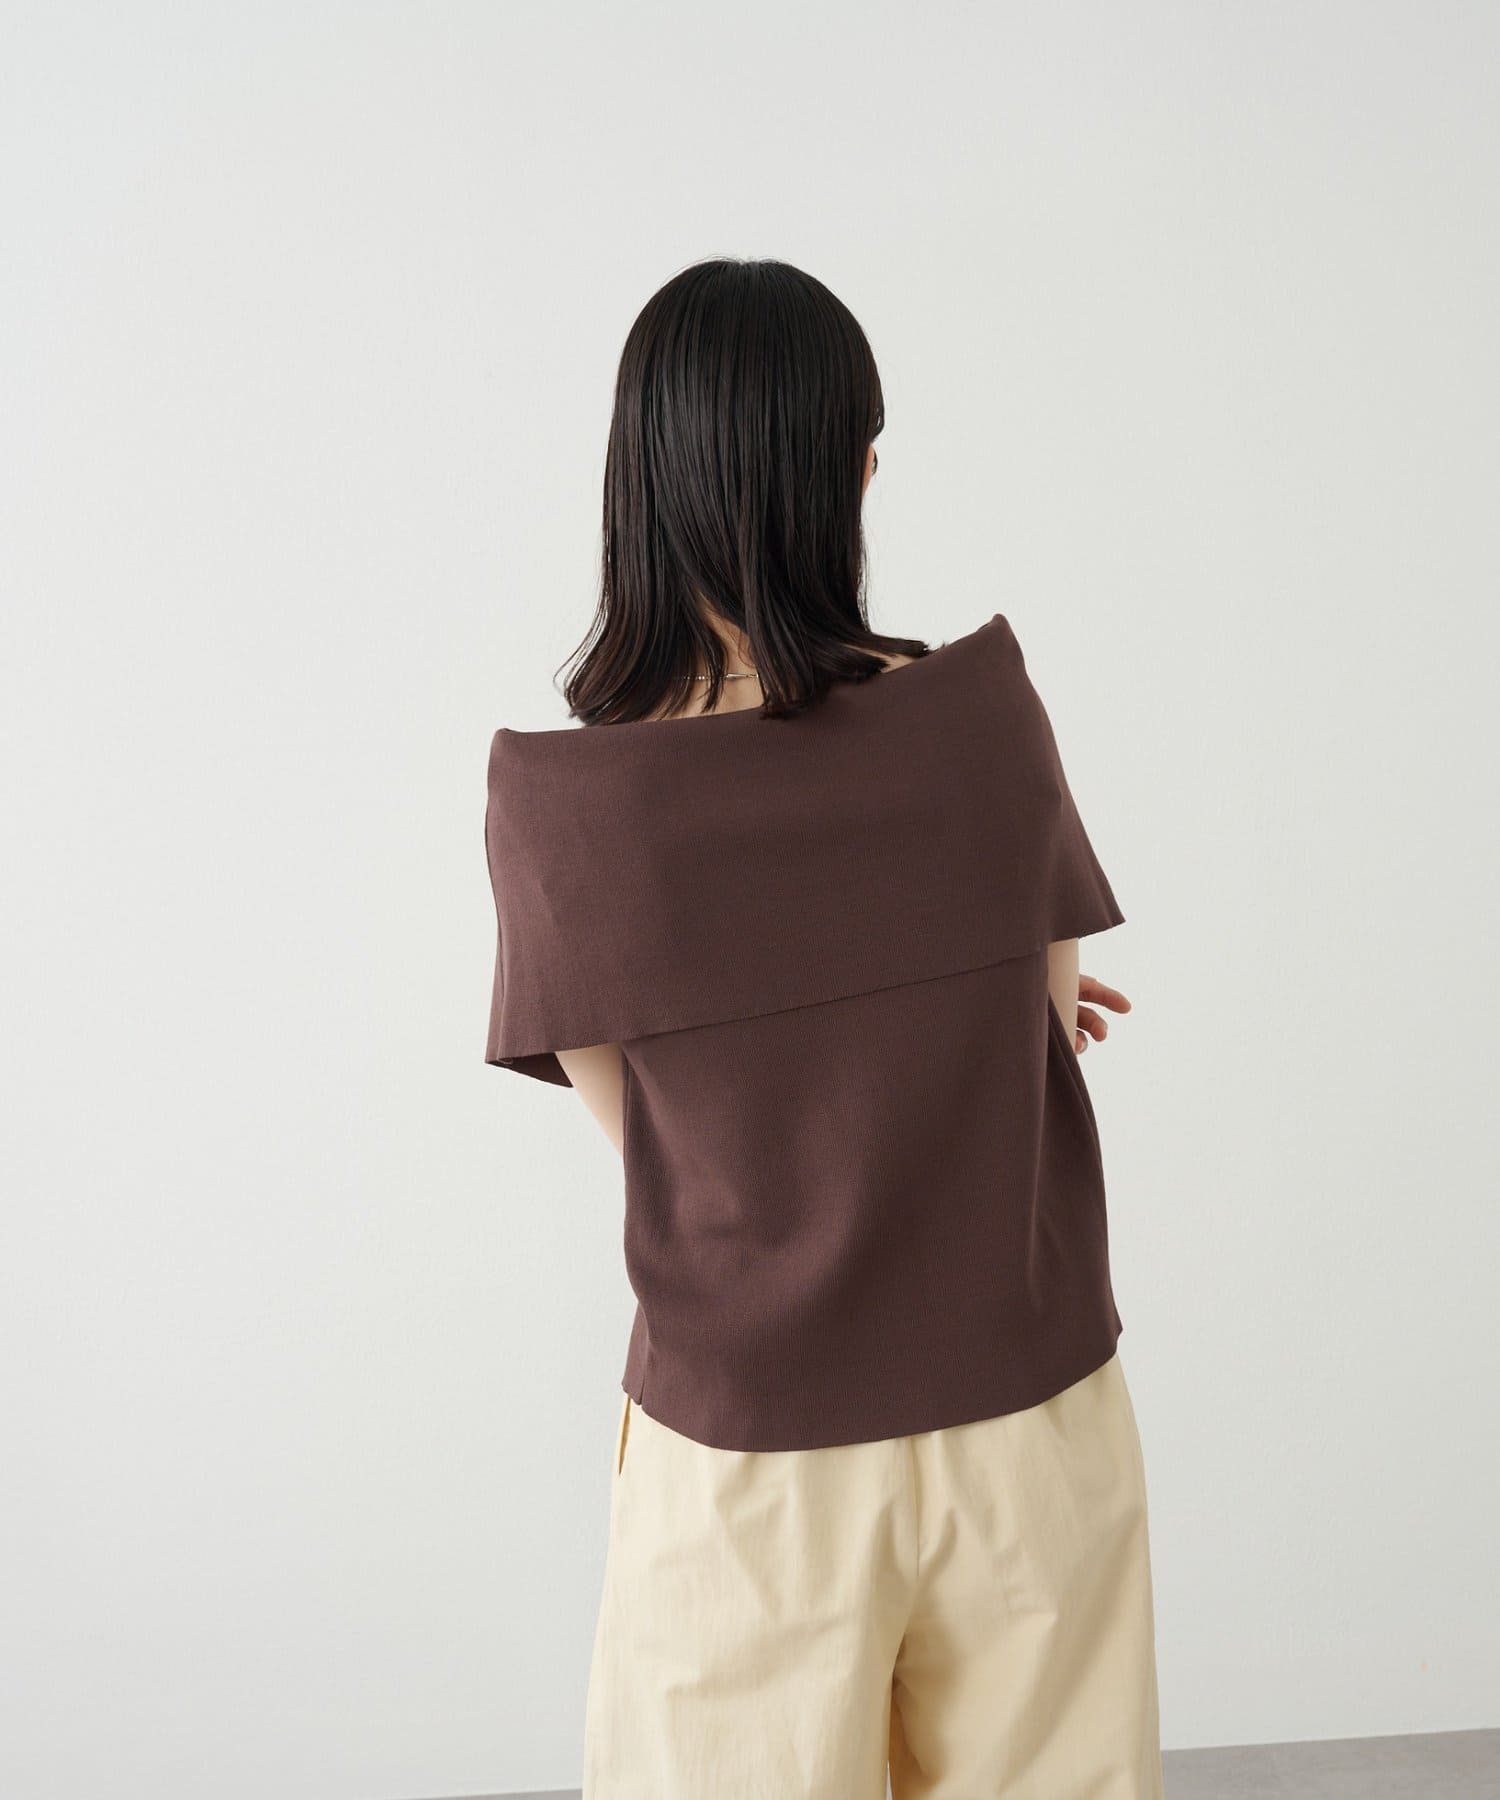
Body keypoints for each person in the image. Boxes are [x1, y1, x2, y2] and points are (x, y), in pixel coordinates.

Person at [483, 256, 1164, 1798]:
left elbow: (666, 1141)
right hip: (1032, 1425)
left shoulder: (564, 811)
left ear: (640, 478)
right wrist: (961, 1016)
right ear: (852, 471)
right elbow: (1039, 1024)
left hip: (754, 1470)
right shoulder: (980, 717)